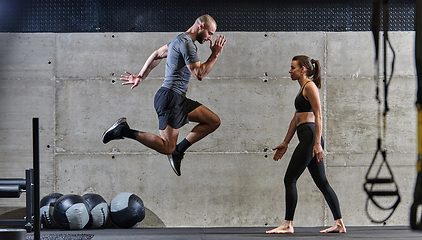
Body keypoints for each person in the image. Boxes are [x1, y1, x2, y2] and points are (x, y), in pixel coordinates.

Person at [102, 14, 226, 176]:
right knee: (167, 147)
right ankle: (122, 131)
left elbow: (157, 54)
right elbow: (199, 74)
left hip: (177, 98)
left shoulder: (179, 40)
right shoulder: (186, 43)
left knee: (213, 121)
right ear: (201, 26)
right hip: (170, 99)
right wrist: (215, 55)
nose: (210, 38)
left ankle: (178, 151)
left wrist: (141, 76)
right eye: (210, 33)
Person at [266, 55, 346, 234]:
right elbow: (296, 119)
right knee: (322, 182)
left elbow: (318, 115)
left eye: (292, 67)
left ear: (303, 69)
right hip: (307, 137)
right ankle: (339, 223)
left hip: (311, 138)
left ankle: (288, 224)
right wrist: (285, 143)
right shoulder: (302, 89)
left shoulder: (309, 86)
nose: (289, 71)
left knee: (290, 179)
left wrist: (317, 144)